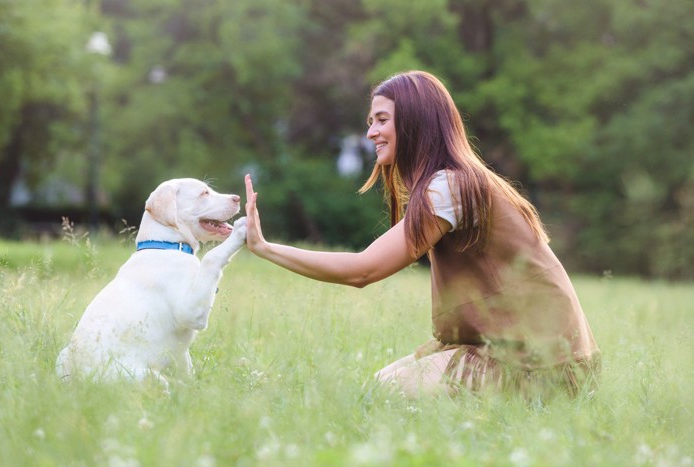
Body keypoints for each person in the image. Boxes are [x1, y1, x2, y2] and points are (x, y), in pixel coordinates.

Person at [243, 70, 600, 399]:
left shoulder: (452, 187)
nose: (371, 132)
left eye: (382, 120)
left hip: (541, 367)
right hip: (537, 357)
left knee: (384, 395)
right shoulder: (455, 182)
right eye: (370, 121)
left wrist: (265, 248)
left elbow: (362, 270)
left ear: (416, 122)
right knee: (379, 387)